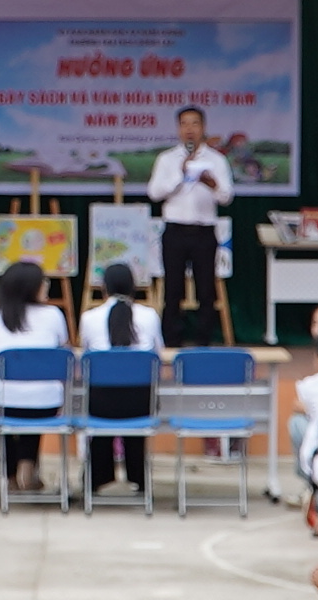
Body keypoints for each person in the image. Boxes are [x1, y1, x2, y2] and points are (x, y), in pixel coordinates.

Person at [0, 259, 72, 498]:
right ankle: (28, 465)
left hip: (1, 400)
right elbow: (62, 349)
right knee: (35, 404)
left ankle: (9, 474)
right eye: (44, 282)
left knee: (0, 414)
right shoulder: (54, 314)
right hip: (46, 403)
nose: (47, 286)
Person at [144, 105, 230, 349]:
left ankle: (203, 343)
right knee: (173, 290)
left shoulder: (216, 160)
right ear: (178, 129)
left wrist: (212, 183)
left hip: (204, 231)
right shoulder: (167, 159)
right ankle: (171, 342)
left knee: (206, 291)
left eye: (194, 124)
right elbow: (154, 193)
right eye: (184, 124)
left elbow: (226, 197)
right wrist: (180, 175)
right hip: (175, 231)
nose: (189, 129)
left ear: (203, 128)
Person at [78, 265, 160, 498]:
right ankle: (139, 478)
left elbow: (86, 358)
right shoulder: (150, 316)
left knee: (102, 415)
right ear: (134, 287)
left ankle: (95, 479)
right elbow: (157, 356)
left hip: (100, 404)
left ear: (104, 288)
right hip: (140, 403)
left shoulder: (89, 318)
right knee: (133, 416)